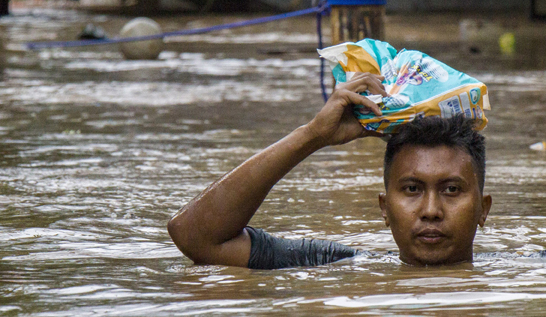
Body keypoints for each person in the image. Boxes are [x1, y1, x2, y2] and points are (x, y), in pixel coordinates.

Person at [167, 72, 492, 269]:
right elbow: (194, 236)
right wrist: (312, 136)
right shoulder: (338, 265)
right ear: (384, 208)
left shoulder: (536, 269)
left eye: (451, 190)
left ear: (483, 208)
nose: (431, 211)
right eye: (412, 189)